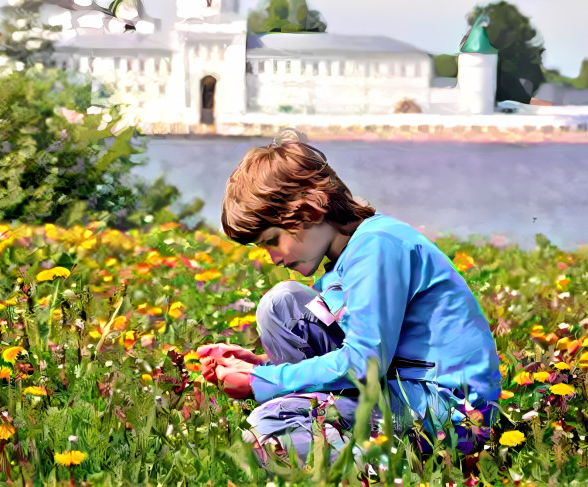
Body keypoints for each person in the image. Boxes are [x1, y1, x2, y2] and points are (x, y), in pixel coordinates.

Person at [198, 134, 501, 464]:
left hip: (452, 411)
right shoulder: (346, 255)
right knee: (282, 305)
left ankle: (382, 464)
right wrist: (264, 368)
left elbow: (365, 363)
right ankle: (323, 424)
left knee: (265, 429)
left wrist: (264, 382)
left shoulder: (378, 247)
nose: (273, 258)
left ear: (310, 212)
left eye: (272, 241)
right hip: (401, 386)